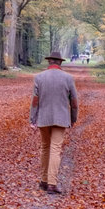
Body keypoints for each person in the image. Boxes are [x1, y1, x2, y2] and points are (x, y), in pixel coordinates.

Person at [29, 49, 79, 194]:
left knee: (45, 147)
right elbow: (74, 102)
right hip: (61, 118)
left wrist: (33, 119)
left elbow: (34, 102)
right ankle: (52, 183)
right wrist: (73, 118)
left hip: (43, 118)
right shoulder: (68, 78)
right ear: (60, 62)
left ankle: (44, 181)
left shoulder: (39, 77)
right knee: (55, 148)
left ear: (49, 62)